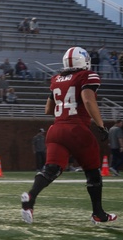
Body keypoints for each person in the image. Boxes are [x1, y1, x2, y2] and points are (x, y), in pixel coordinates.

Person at [20, 47, 117, 225]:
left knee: (51, 170)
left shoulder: (56, 79)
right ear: (84, 61)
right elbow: (88, 100)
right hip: (77, 130)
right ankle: (98, 213)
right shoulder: (87, 76)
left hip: (56, 130)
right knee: (93, 173)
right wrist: (101, 126)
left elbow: (48, 109)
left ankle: (30, 198)